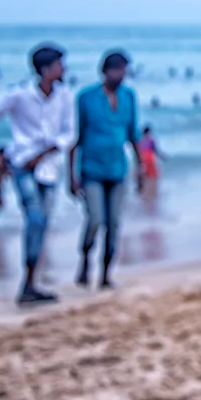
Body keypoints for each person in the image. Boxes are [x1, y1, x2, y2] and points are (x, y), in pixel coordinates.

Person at [0, 44, 73, 304]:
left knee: (41, 223)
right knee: (35, 218)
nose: (64, 69)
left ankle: (30, 281)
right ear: (46, 69)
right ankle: (28, 281)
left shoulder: (64, 96)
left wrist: (43, 154)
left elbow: (69, 133)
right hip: (22, 165)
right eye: (59, 65)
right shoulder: (19, 95)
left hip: (48, 167)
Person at [68, 50, 140, 288]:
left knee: (114, 223)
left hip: (118, 169)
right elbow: (75, 138)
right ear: (105, 71)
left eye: (123, 71)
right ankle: (85, 259)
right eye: (116, 70)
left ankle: (106, 274)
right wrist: (72, 175)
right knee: (95, 219)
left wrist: (140, 167)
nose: (120, 75)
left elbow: (133, 135)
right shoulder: (86, 98)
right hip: (92, 169)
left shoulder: (128, 97)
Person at [136, 124, 165, 197]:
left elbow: (138, 151)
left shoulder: (140, 140)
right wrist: (162, 156)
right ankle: (152, 193)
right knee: (153, 177)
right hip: (149, 158)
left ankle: (142, 192)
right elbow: (156, 150)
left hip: (143, 158)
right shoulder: (151, 140)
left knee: (144, 176)